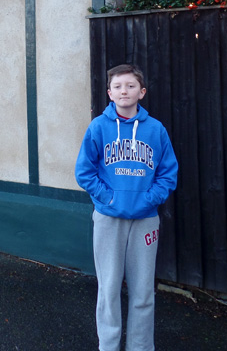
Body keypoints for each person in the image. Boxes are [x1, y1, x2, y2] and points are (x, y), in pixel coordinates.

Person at [75, 64, 178, 351]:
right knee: (108, 289)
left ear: (141, 92)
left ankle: (140, 347)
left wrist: (149, 199)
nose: (124, 91)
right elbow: (84, 172)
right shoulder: (98, 127)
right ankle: (108, 346)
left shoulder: (155, 130)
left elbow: (168, 173)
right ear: (109, 93)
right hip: (109, 219)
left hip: (145, 220)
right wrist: (108, 199)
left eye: (131, 86)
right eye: (118, 86)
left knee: (143, 292)